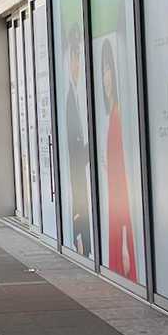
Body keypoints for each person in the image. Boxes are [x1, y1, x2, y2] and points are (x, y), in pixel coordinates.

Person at [101, 41, 135, 280]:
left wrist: (124, 241)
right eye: (102, 70)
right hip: (115, 212)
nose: (105, 77)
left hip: (120, 217)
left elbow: (123, 180)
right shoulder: (112, 114)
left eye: (108, 68)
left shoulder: (118, 115)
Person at [65, 26, 92, 256]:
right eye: (75, 58)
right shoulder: (70, 99)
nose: (77, 64)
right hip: (78, 177)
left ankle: (82, 242)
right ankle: (80, 240)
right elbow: (74, 152)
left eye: (79, 58)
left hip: (82, 176)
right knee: (81, 208)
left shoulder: (78, 94)